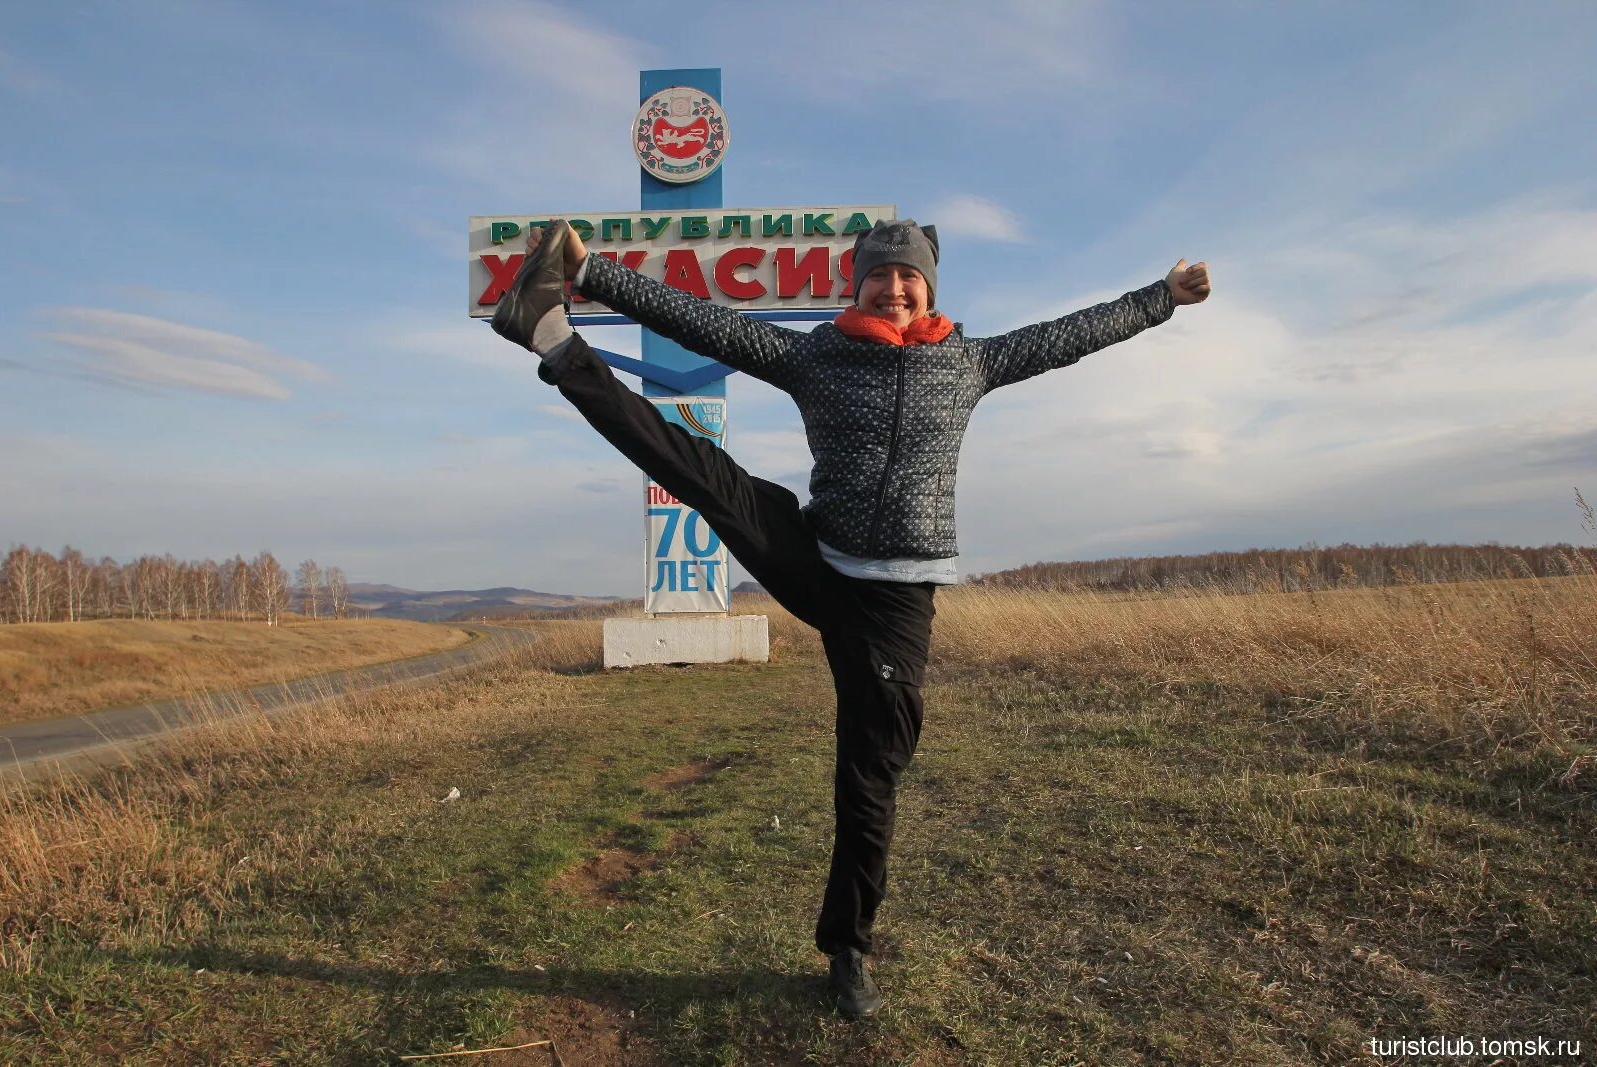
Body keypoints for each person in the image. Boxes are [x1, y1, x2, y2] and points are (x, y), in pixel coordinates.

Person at [491, 218, 1211, 1018]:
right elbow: (711, 323)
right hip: (818, 557)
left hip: (895, 604)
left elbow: (1068, 335)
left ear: (929, 288)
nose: (895, 290)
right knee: (705, 475)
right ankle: (553, 337)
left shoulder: (968, 361)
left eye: (910, 279)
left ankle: (847, 946)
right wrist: (595, 274)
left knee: (872, 777)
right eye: (880, 277)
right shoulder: (817, 357)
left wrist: (1162, 299)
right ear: (856, 284)